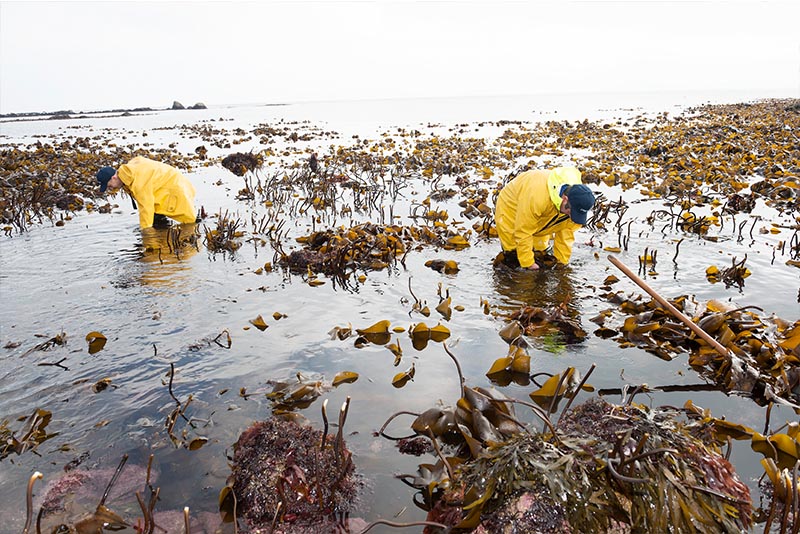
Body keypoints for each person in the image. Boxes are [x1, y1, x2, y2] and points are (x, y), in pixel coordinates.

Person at [494, 166, 595, 270]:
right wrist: (528, 264)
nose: (571, 216)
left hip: (544, 212)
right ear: (565, 199)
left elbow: (566, 235)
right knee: (514, 257)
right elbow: (523, 231)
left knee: (541, 251)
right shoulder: (537, 198)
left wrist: (561, 265)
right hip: (511, 207)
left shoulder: (576, 203)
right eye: (571, 212)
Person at [96, 156, 197, 229]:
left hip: (176, 189)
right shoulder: (128, 172)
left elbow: (146, 208)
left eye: (109, 185)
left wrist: (146, 232)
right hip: (170, 183)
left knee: (189, 223)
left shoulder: (139, 183)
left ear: (114, 177)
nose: (110, 188)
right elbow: (141, 160)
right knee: (157, 220)